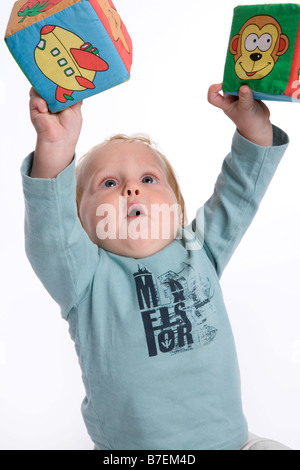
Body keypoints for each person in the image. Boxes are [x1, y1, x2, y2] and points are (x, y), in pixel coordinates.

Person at [21, 83, 290, 450]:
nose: (132, 188)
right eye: (109, 183)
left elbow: (239, 192)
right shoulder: (84, 278)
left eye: (148, 179)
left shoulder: (200, 248)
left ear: (176, 209)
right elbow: (51, 232)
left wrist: (254, 132)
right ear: (81, 225)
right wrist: (55, 147)